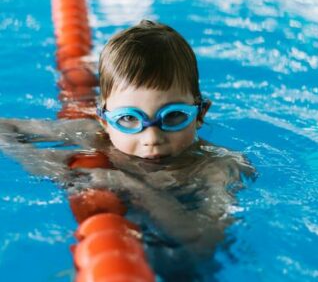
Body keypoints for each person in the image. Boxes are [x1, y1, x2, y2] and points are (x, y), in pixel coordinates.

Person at [0, 20, 255, 280]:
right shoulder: (94, 135)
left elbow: (204, 242)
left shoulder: (219, 167)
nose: (152, 138)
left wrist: (130, 186)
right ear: (104, 120)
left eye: (174, 116)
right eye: (128, 119)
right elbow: (4, 129)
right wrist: (50, 168)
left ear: (200, 114)